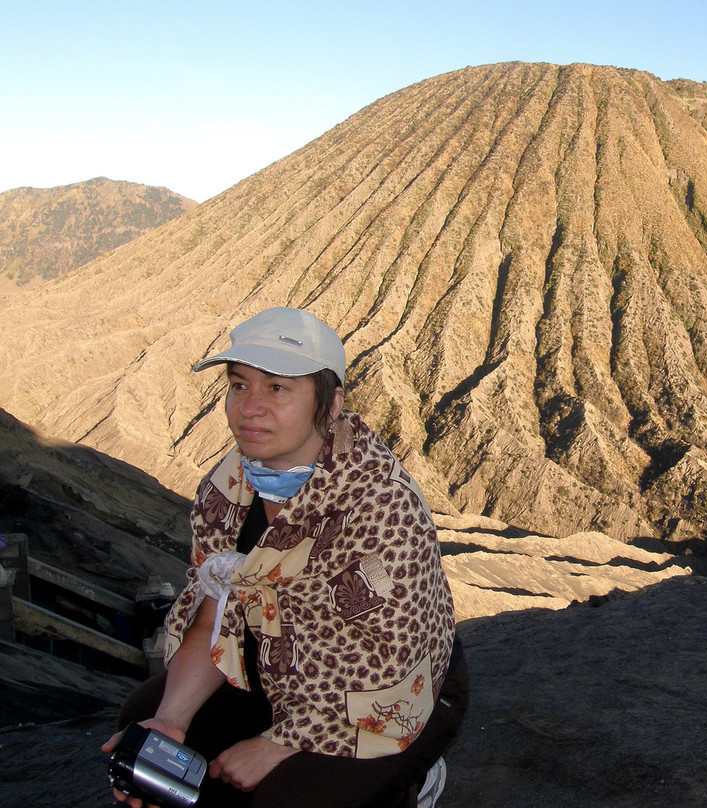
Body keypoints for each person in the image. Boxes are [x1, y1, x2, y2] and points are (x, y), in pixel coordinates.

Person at [102, 307, 467, 808]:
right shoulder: (230, 488)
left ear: (331, 404)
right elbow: (217, 608)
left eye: (277, 388)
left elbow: (388, 665)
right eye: (238, 385)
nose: (248, 408)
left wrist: (279, 743)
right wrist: (171, 721)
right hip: (283, 666)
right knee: (143, 718)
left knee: (281, 797)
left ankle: (409, 782)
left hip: (399, 691)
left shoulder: (381, 506)